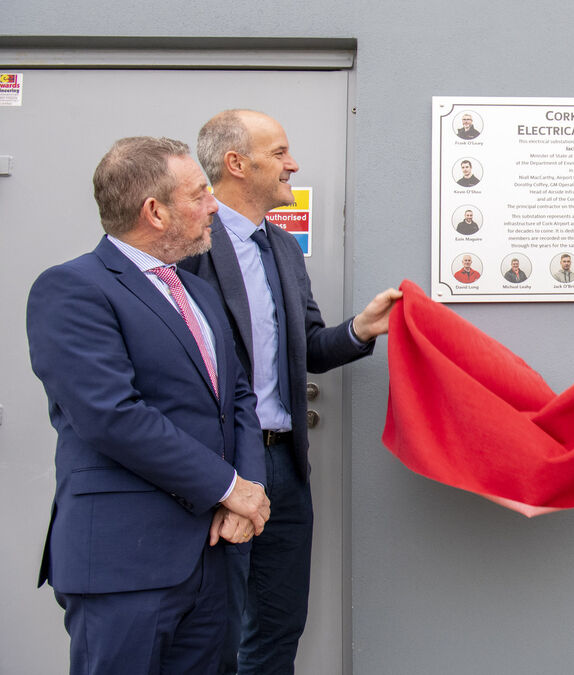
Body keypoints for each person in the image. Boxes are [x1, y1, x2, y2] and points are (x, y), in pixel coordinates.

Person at [27, 136, 272, 674]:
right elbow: (112, 415)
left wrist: (246, 493)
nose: (214, 206)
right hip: (125, 562)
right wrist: (228, 488)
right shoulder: (72, 289)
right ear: (155, 212)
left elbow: (236, 396)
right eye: (200, 194)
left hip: (214, 554)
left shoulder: (197, 291)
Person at [182, 109, 402, 674]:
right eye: (280, 152)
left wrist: (361, 330)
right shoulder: (187, 245)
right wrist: (219, 479)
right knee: (212, 632)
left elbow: (307, 347)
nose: (293, 164)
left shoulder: (281, 246)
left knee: (278, 629)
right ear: (237, 163)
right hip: (218, 468)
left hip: (284, 466)